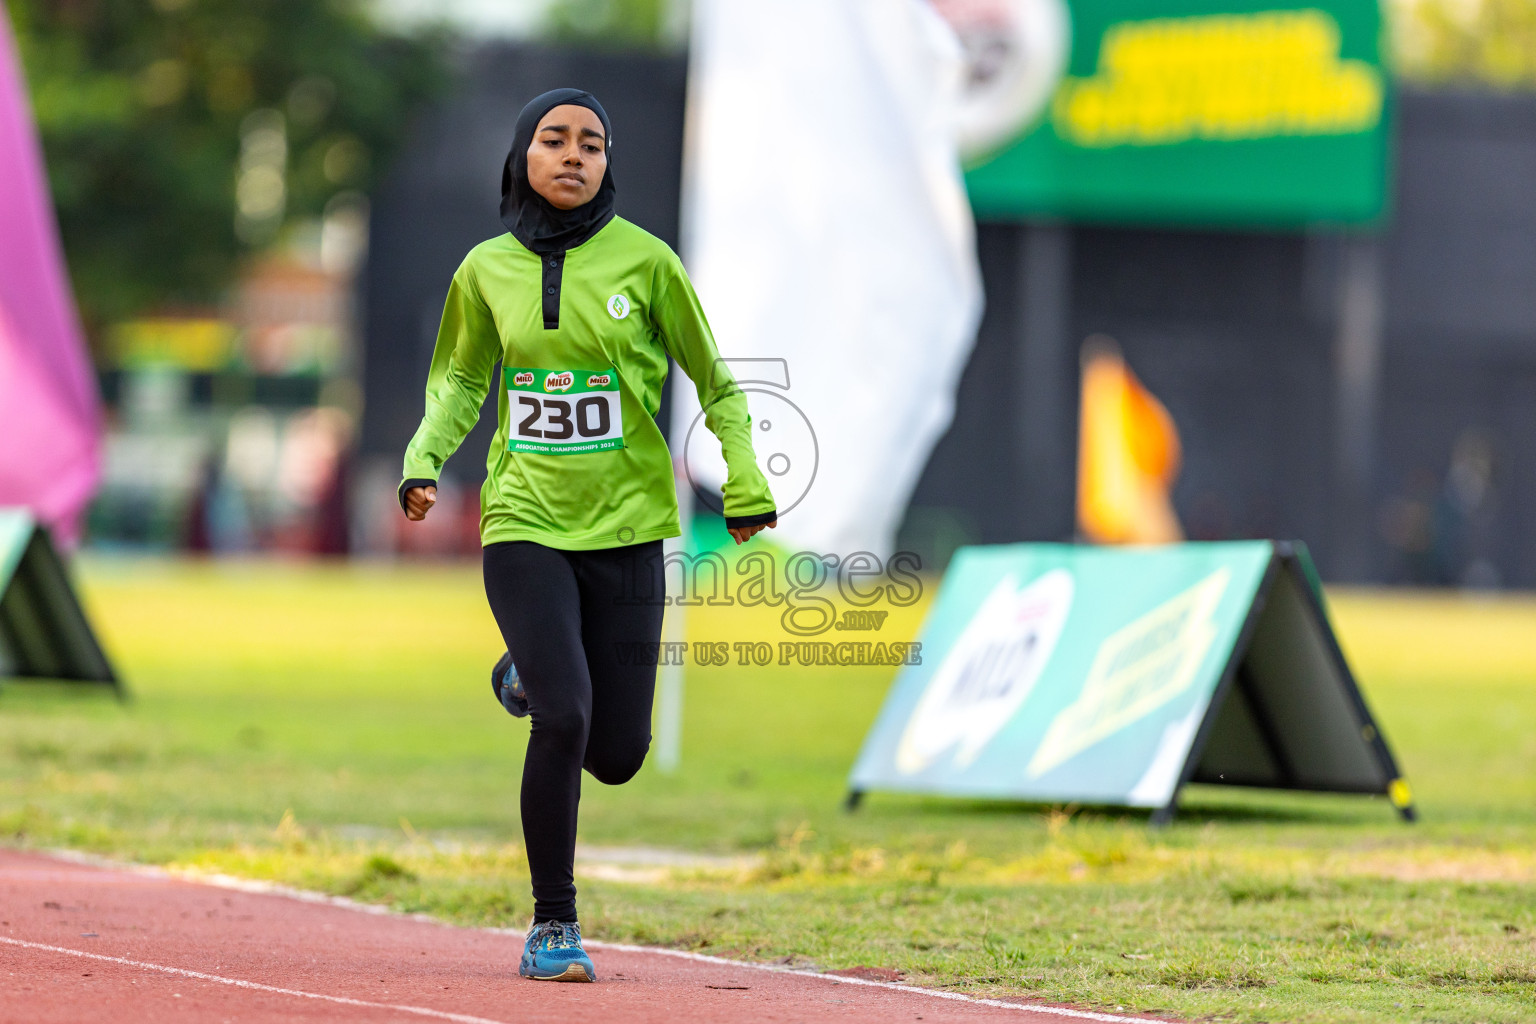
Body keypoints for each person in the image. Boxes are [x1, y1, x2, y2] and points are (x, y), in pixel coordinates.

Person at [398, 88, 777, 983]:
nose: (574, 156)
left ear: (609, 164)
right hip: (523, 518)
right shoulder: (483, 270)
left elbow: (716, 385)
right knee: (564, 719)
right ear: (522, 156)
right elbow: (458, 383)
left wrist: (745, 480)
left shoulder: (648, 264)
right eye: (554, 140)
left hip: (631, 528)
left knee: (617, 754)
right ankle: (553, 925)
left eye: (593, 144)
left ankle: (524, 670)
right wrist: (425, 459)